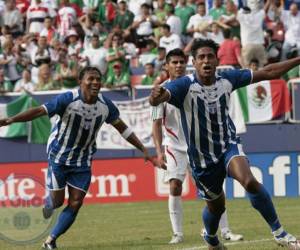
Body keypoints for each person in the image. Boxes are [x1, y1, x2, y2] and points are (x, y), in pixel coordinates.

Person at [149, 39, 300, 250]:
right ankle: (211, 237)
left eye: (210, 56)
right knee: (216, 207)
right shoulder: (184, 85)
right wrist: (156, 97)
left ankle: (280, 233)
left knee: (249, 181)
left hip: (228, 145)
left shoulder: (227, 79)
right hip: (202, 158)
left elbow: (269, 72)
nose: (206, 60)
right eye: (201, 57)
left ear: (217, 60)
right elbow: (161, 98)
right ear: (194, 61)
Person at [0, 66, 158, 250]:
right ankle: (49, 203)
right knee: (58, 202)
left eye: (98, 79)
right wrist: (10, 120)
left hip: (83, 160)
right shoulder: (67, 99)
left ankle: (50, 240)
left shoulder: (106, 105)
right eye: (90, 79)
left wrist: (143, 149)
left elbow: (122, 128)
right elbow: (38, 111)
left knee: (76, 202)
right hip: (59, 156)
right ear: (80, 82)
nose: (95, 82)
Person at [152, 48, 243, 245]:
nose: (178, 66)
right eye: (174, 62)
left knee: (215, 188)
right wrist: (159, 152)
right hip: (175, 146)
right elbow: (156, 124)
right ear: (166, 66)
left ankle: (225, 230)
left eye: (181, 62)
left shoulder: (195, 84)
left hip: (201, 146)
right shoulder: (162, 91)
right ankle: (177, 233)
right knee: (175, 185)